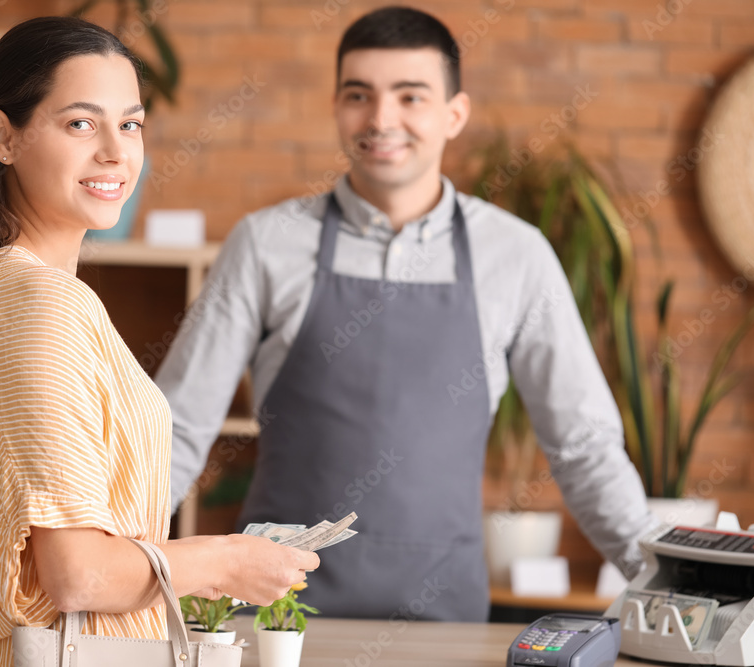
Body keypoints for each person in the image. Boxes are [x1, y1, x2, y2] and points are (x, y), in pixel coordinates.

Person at [156, 6, 660, 622]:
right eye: (358, 95)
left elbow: (583, 446)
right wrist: (111, 562)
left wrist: (663, 577)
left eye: (410, 96)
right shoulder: (265, 243)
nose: (381, 119)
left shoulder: (517, 255)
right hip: (276, 620)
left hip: (444, 626)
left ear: (454, 115)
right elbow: (176, 429)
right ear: (336, 107)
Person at [0, 16, 318, 665]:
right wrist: (227, 559)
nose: (116, 153)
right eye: (80, 123)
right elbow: (76, 574)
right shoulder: (36, 301)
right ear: (2, 136)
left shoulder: (6, 287)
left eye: (130, 124)